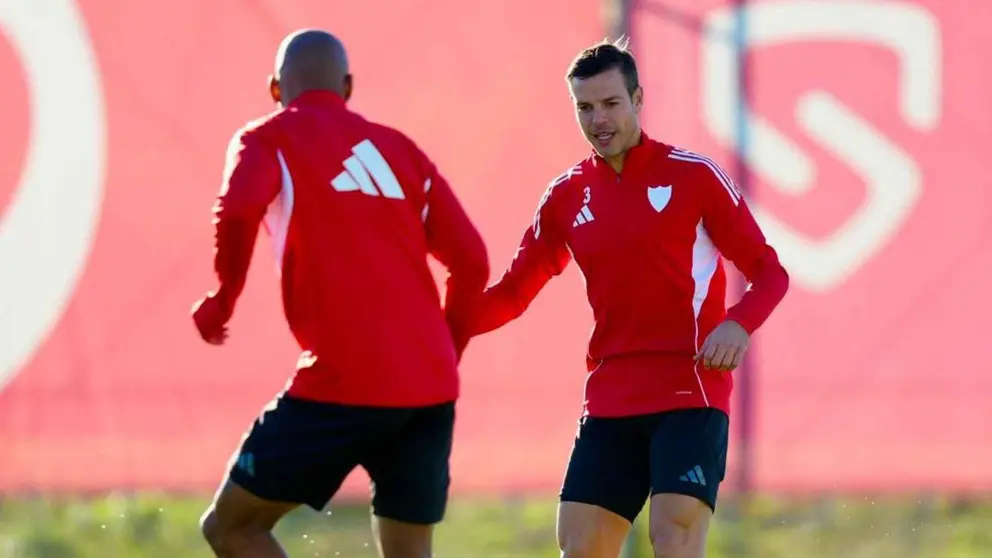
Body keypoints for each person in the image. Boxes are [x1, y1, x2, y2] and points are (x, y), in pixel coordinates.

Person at [466, 38, 789, 558]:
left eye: (611, 104)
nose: (599, 120)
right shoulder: (566, 196)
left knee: (674, 539)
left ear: (638, 100)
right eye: (585, 107)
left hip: (690, 389)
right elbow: (511, 295)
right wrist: (435, 322)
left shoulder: (693, 176)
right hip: (611, 395)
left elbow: (768, 272)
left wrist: (739, 323)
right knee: (580, 547)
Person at [190, 29, 489, 558]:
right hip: (428, 387)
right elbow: (472, 262)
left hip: (342, 380)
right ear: (348, 86)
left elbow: (237, 211)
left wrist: (222, 298)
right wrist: (445, 353)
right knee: (409, 554)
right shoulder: (401, 151)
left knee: (231, 528)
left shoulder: (267, 139)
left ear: (275, 90)